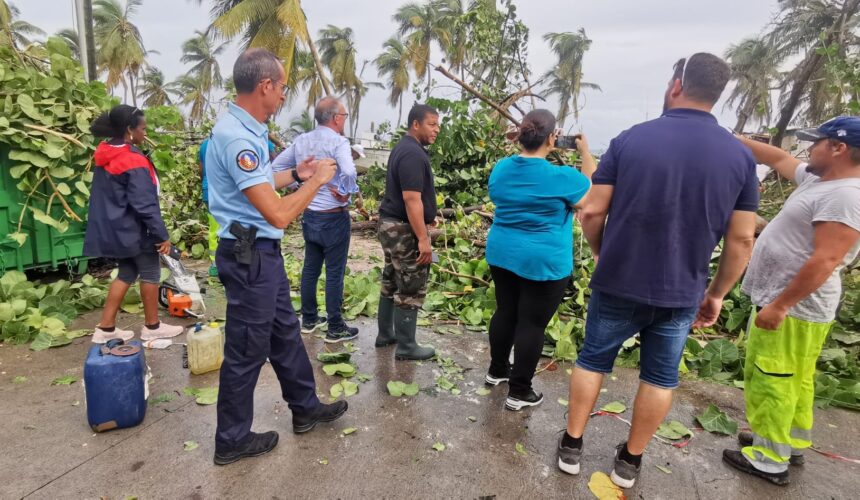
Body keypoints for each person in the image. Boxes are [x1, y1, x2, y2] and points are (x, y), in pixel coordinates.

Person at [558, 53, 760, 488]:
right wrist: (717, 292)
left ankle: (571, 447)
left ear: (676, 86)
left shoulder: (632, 139)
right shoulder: (739, 157)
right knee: (660, 377)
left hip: (618, 280)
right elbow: (742, 239)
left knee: (593, 360)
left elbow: (592, 211)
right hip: (682, 291)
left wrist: (601, 252)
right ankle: (629, 462)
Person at [205, 48, 345, 466]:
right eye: (282, 87)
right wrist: (318, 180)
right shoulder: (236, 137)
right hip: (250, 256)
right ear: (265, 85)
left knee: (285, 332)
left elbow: (262, 184)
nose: (284, 95)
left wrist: (297, 174)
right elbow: (279, 213)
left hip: (260, 253)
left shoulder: (246, 130)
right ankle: (231, 439)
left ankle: (305, 408)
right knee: (247, 348)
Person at [722, 119, 860, 486]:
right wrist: (728, 137)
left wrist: (781, 304)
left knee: (773, 378)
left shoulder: (846, 196)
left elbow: (826, 260)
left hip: (793, 307)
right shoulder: (823, 180)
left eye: (816, 143)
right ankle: (789, 442)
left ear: (838, 148)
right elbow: (779, 158)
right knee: (795, 378)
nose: (808, 149)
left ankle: (768, 458)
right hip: (792, 305)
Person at [483, 110, 595, 411]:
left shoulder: (501, 169)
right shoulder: (563, 177)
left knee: (505, 311)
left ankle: (497, 371)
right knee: (531, 324)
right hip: (543, 261)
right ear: (552, 137)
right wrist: (584, 151)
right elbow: (590, 194)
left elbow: (497, 196)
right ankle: (520, 391)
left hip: (502, 252)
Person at [83, 105, 184, 344]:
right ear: (130, 130)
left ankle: (105, 328)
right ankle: (152, 327)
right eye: (142, 128)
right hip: (135, 228)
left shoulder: (106, 152)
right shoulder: (131, 159)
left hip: (116, 227)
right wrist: (162, 235)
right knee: (150, 272)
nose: (144, 133)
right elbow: (144, 204)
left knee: (127, 273)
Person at [272, 96, 360, 342]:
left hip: (309, 215)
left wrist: (297, 183)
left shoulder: (302, 141)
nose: (344, 120)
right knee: (334, 272)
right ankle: (335, 327)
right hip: (333, 217)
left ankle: (309, 319)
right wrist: (344, 190)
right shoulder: (339, 142)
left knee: (310, 268)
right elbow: (350, 171)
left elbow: (276, 167)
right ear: (335, 118)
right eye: (343, 116)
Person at [374, 104, 440, 360]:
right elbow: (412, 199)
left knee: (391, 279)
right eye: (431, 124)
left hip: (391, 225)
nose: (436, 130)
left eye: (437, 125)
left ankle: (385, 334)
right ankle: (406, 346)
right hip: (402, 229)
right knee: (410, 286)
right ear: (416, 124)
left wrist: (426, 220)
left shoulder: (405, 148)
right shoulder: (413, 154)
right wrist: (423, 238)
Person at [198, 137, 219, 278]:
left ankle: (214, 266)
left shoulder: (204, 144)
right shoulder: (227, 140)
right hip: (224, 192)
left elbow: (201, 170)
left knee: (214, 228)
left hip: (208, 191)